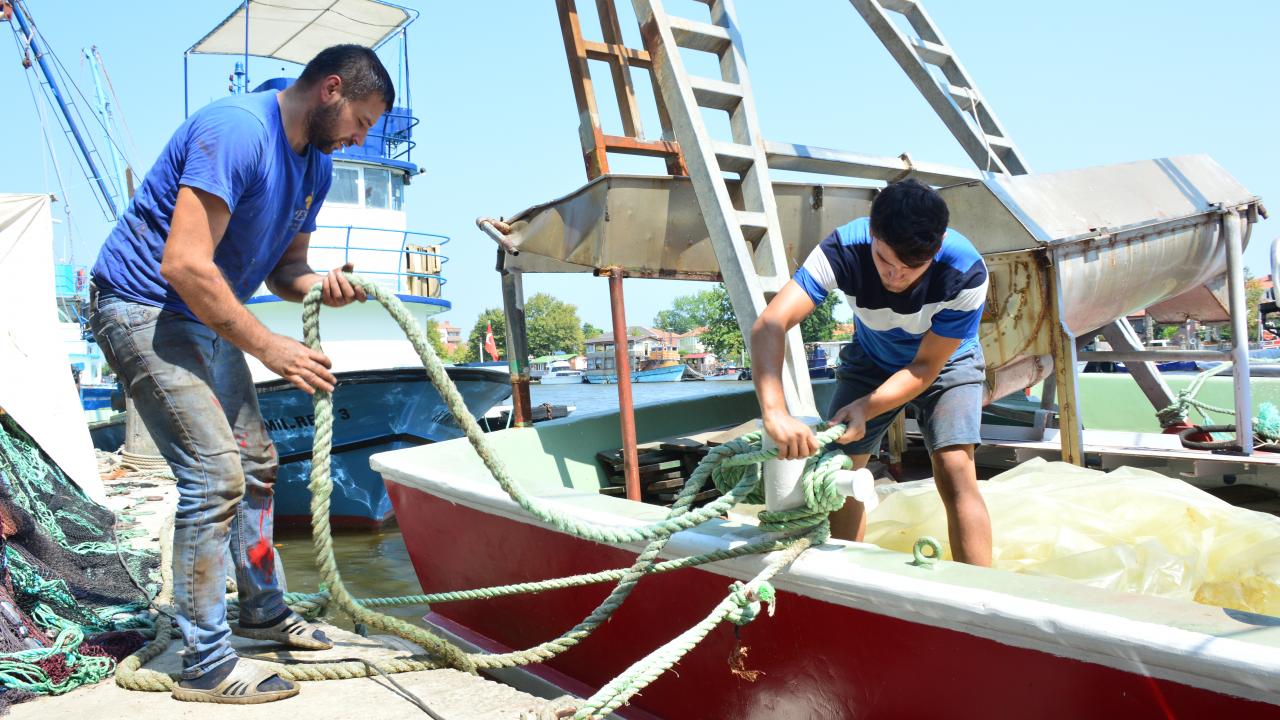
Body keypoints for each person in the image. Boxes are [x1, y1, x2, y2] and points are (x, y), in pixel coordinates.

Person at [88, 44, 393, 703]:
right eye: (362, 122)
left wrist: (323, 285)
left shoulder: (313, 164)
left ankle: (262, 614)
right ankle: (203, 662)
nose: (361, 138)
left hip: (202, 312)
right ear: (331, 90)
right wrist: (271, 348)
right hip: (143, 307)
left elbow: (286, 270)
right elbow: (185, 265)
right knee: (214, 474)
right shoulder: (237, 130)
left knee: (257, 464)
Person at [750, 179, 993, 566]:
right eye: (884, 260)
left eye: (911, 267)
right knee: (840, 466)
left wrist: (868, 407)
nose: (895, 276)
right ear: (872, 232)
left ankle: (983, 596)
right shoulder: (843, 248)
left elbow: (925, 367)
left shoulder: (966, 272)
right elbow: (771, 324)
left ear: (938, 245)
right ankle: (842, 579)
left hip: (946, 362)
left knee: (954, 466)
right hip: (871, 356)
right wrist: (775, 411)